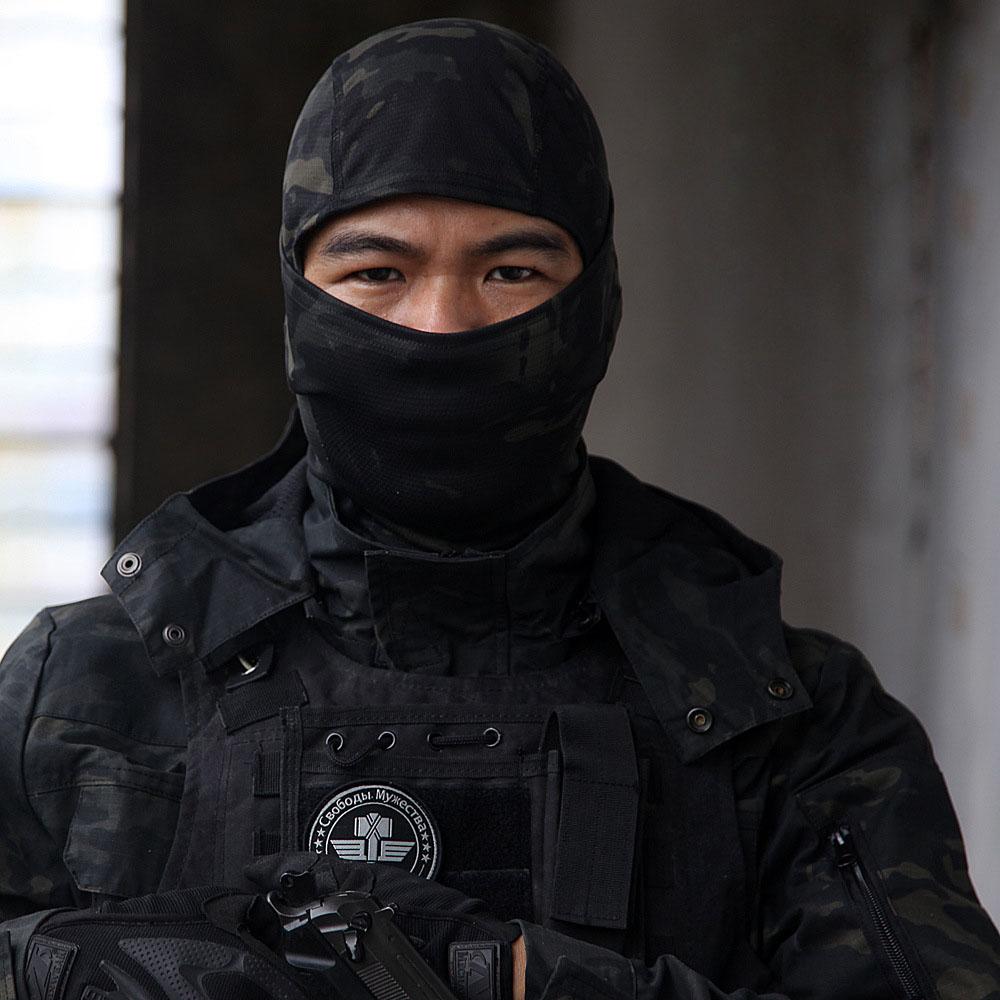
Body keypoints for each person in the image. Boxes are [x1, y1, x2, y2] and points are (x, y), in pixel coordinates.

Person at [1, 16, 998, 1000]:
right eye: (377, 273)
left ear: (597, 305)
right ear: (300, 302)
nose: (442, 325)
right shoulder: (87, 688)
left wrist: (513, 978)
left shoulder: (784, 721)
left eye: (512, 272)